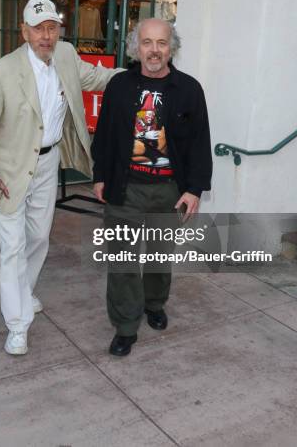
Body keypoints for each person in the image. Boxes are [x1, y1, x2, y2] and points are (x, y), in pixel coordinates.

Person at [0, 0, 121, 356]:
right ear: (25, 31)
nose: (46, 36)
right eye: (38, 29)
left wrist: (142, 73)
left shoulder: (66, 55)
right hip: (8, 171)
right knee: (13, 247)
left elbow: (98, 77)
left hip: (49, 163)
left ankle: (25, 291)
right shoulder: (1, 72)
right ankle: (18, 324)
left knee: (38, 239)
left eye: (52, 28)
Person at [91, 18, 212, 356]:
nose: (154, 50)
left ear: (171, 47)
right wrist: (100, 174)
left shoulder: (189, 89)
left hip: (169, 190)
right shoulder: (119, 86)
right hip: (125, 188)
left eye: (161, 42)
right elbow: (104, 136)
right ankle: (126, 326)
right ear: (136, 47)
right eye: (147, 42)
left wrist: (194, 189)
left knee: (159, 257)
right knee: (123, 261)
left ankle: (155, 304)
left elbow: (200, 142)